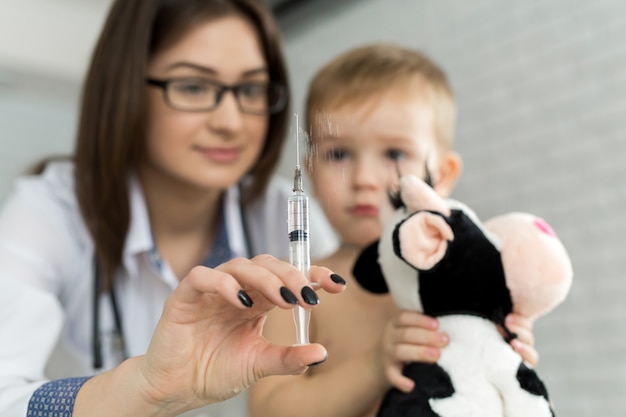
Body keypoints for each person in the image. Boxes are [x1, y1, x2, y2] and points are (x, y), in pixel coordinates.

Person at [0, 1, 345, 416]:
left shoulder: (279, 214)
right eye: (195, 87)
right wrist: (143, 389)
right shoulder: (50, 213)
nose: (231, 121)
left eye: (251, 89)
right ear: (125, 88)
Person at [248, 43, 539, 417]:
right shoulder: (299, 287)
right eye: (338, 155)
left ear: (443, 175)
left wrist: (512, 356)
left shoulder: (475, 283)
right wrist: (374, 365)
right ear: (312, 172)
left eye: (394, 154)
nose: (364, 179)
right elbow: (270, 411)